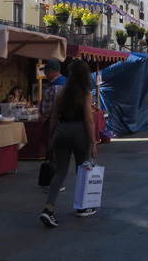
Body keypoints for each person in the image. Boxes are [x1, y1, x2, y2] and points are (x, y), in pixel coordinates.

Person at [40, 59, 98, 227]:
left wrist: (51, 137)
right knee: (82, 171)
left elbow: (53, 117)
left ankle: (48, 209)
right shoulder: (86, 93)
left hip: (61, 133)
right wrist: (93, 143)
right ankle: (82, 207)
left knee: (60, 173)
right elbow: (88, 120)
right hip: (80, 134)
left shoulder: (61, 92)